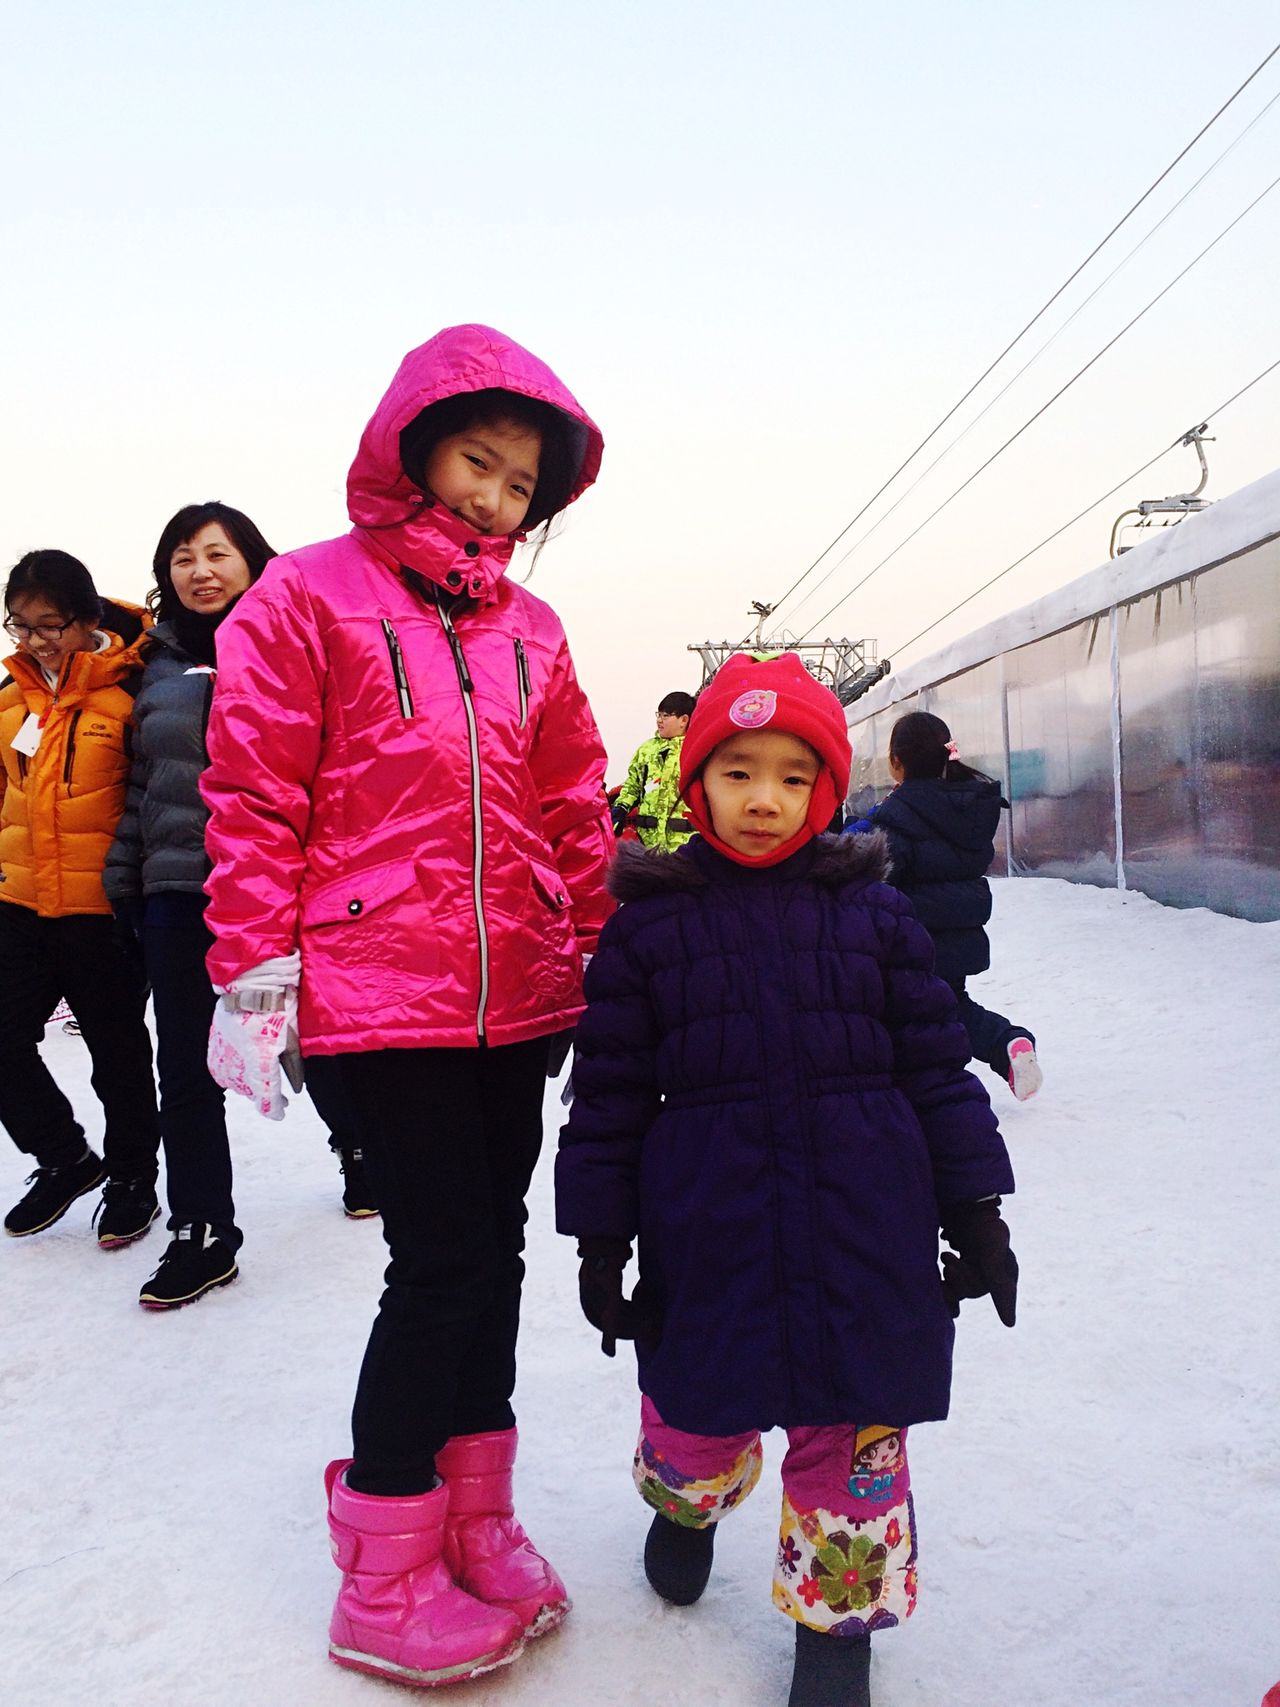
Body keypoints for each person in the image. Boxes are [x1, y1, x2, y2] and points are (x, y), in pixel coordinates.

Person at [199, 325, 612, 1687]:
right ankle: (382, 1563)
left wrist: (601, 949)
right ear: (412, 442)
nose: (494, 496)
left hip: (518, 989)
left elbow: (568, 804)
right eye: (476, 461)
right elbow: (256, 792)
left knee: (493, 1252)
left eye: (518, 484)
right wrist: (255, 967)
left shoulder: (533, 627)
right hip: (380, 987)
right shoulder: (307, 596)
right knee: (439, 1259)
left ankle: (475, 1513)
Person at [556, 653, 1018, 1707]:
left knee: (854, 1439)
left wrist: (975, 1211)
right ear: (694, 781)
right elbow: (611, 1096)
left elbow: (933, 1071)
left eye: (793, 775)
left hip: (868, 1225)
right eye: (736, 771)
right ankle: (683, 1500)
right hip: (710, 1228)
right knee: (697, 1408)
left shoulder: (877, 917)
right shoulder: (649, 928)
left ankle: (836, 1627)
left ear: (827, 787)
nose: (765, 798)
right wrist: (598, 1238)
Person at [0, 551, 162, 1245]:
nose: (34, 640)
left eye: (50, 625)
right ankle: (65, 1157)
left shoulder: (134, 693)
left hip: (105, 909)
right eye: (20, 625)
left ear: (88, 619)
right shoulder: (8, 702)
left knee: (117, 1053)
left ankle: (132, 1178)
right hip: (20, 901)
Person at [845, 710, 1042, 1101]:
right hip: (956, 937)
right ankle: (1007, 1045)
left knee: (911, 1016)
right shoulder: (967, 807)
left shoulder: (896, 815)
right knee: (950, 1006)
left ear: (895, 762)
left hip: (908, 940)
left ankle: (934, 1086)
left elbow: (869, 860)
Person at [611, 691, 696, 849]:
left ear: (683, 720)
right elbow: (632, 786)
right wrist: (620, 809)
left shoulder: (695, 749)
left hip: (683, 843)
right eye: (658, 715)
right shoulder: (647, 750)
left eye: (665, 716)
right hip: (647, 841)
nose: (659, 720)